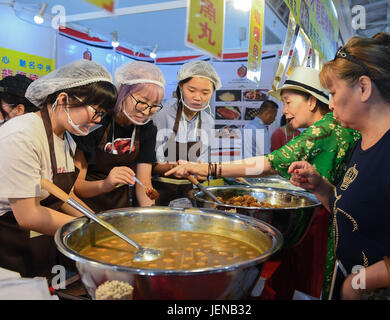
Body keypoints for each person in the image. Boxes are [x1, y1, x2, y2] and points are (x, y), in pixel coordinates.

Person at [165, 66, 361, 299]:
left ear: (311, 101)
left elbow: (270, 162)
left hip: (332, 224)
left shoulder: (324, 129)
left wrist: (207, 169)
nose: (285, 111)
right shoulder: (327, 127)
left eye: (288, 102)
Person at [288, 33, 390, 300]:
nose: (331, 103)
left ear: (363, 88)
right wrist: (322, 188)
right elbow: (365, 215)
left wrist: (360, 281)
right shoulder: (365, 140)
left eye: (333, 93)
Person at [0, 59, 117, 278]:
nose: (97, 121)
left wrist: (97, 220)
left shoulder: (67, 138)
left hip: (41, 241)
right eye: (95, 111)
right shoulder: (22, 135)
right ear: (63, 99)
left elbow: (64, 194)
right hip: (10, 242)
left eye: (102, 115)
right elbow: (28, 215)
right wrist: (91, 231)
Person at [72, 61, 165, 211]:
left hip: (120, 206)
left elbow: (144, 183)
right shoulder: (96, 121)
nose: (147, 112)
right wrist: (105, 184)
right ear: (123, 91)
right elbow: (77, 186)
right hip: (86, 206)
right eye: (142, 102)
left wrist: (152, 216)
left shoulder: (147, 129)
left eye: (154, 105)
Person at [152, 60, 221, 206]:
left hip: (191, 191)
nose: (198, 97)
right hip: (161, 191)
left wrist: (202, 172)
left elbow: (203, 161)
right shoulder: (162, 115)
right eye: (191, 90)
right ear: (180, 86)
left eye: (205, 92)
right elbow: (152, 164)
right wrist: (174, 166)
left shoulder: (208, 121)